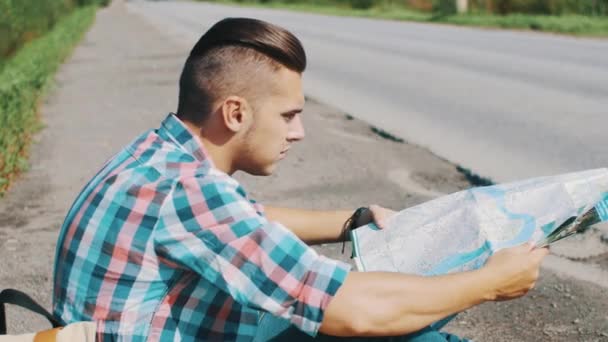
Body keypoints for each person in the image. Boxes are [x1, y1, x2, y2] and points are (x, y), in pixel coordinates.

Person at [52, 17, 548, 341]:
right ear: (235, 113)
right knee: (410, 331)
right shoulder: (193, 190)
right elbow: (351, 311)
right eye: (288, 115)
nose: (300, 132)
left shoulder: (156, 155)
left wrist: (349, 221)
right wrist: (490, 283)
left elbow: (245, 220)